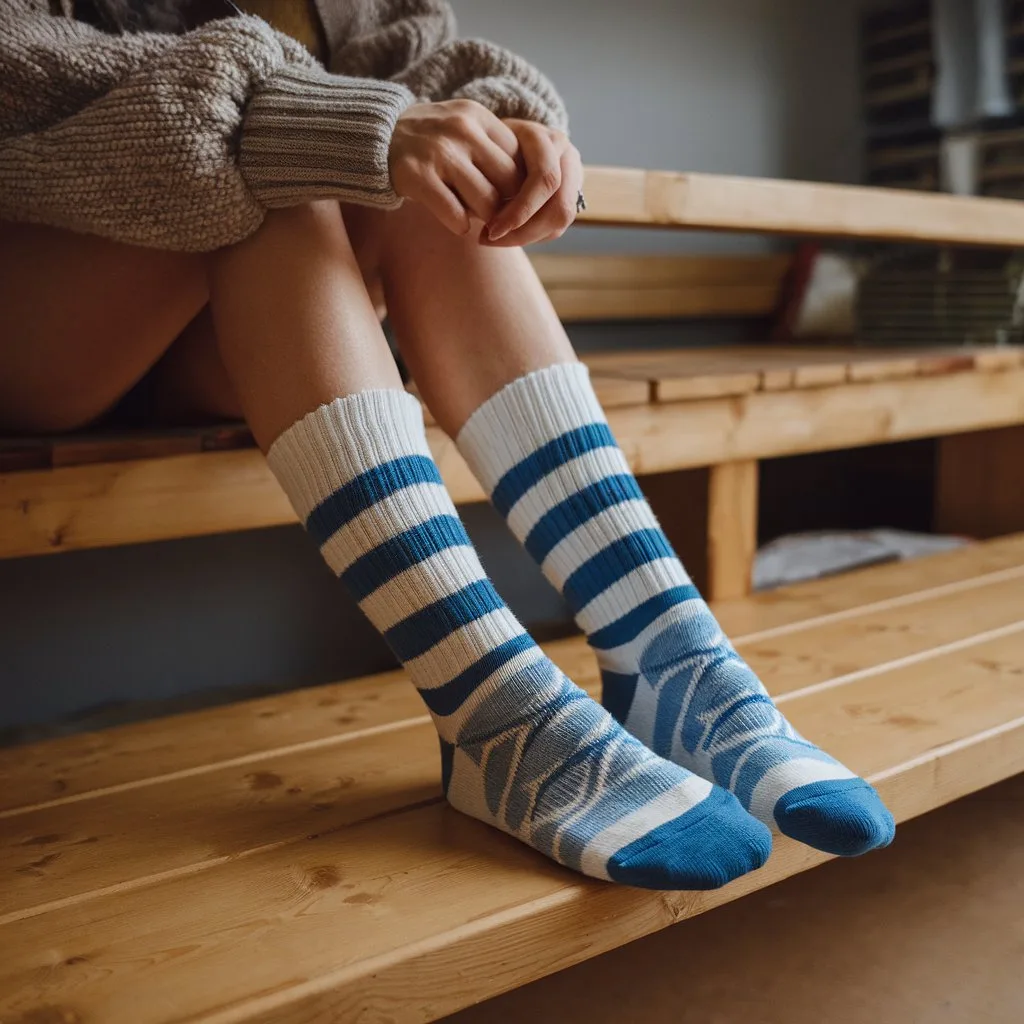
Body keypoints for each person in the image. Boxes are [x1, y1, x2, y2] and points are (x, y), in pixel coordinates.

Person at [0, 0, 894, 890]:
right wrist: (318, 119)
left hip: (225, 320)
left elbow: (424, 60)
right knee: (281, 158)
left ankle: (671, 661)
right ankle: (493, 710)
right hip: (43, 323)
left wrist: (508, 136)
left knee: (438, 192)